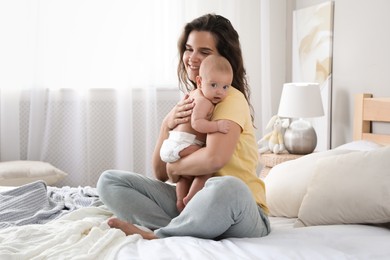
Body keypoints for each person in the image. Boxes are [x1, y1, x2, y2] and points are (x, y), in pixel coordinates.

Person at [97, 13, 270, 240]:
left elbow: (213, 160)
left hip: (242, 211)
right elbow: (160, 173)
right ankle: (188, 228)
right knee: (110, 181)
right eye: (189, 49)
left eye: (204, 52)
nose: (192, 58)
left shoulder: (231, 99)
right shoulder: (192, 100)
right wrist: (165, 125)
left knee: (228, 186)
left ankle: (161, 234)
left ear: (224, 59)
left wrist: (176, 168)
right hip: (195, 200)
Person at [160, 54, 233, 212]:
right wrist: (217, 126)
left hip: (174, 144)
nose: (219, 92)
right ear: (200, 82)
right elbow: (197, 123)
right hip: (182, 144)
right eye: (214, 85)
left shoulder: (193, 94)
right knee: (206, 168)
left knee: (185, 176)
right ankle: (192, 197)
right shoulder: (204, 101)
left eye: (225, 87)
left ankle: (180, 201)